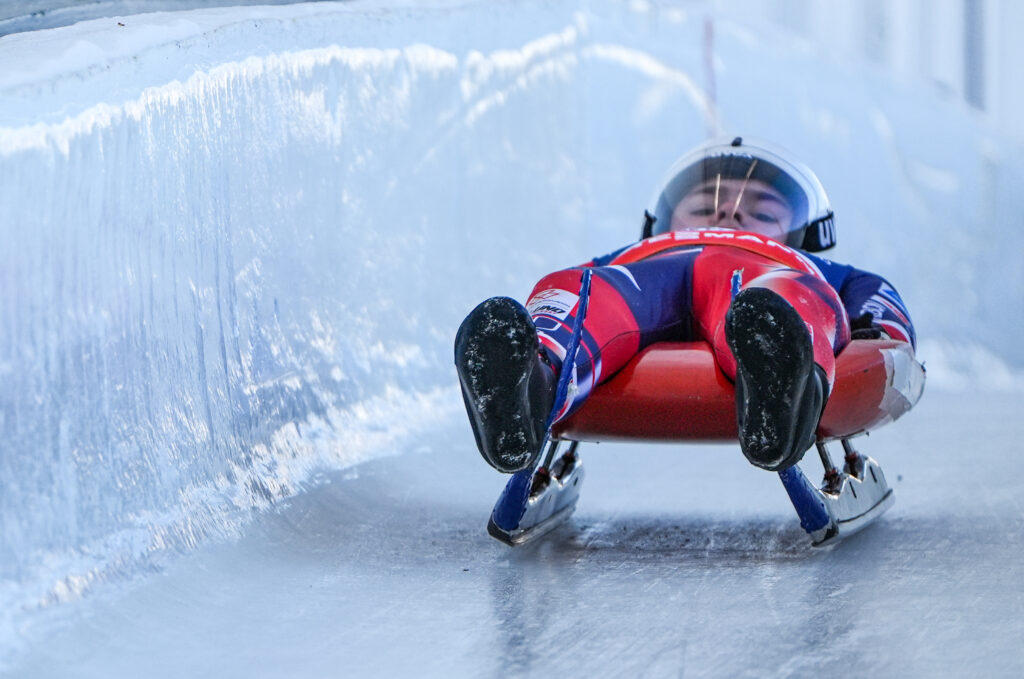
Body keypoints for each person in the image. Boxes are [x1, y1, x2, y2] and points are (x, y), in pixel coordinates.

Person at [455, 137, 916, 476]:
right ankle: (531, 385)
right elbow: (575, 287)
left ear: (801, 232)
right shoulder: (626, 256)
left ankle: (782, 384)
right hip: (651, 273)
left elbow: (883, 310)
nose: (729, 215)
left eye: (762, 210)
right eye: (702, 206)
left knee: (781, 298)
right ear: (664, 221)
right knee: (582, 289)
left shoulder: (815, 269)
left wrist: (876, 336)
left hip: (760, 275)